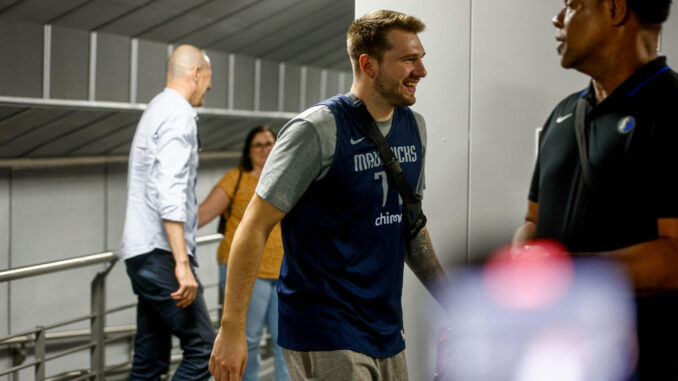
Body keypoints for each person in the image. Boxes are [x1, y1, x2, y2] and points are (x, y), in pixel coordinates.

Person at [209, 10, 450, 381]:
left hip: (385, 326)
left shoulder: (414, 128)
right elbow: (253, 226)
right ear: (368, 65)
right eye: (408, 60)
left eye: (420, 59)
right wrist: (231, 330)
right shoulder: (317, 130)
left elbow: (410, 226)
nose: (421, 71)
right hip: (324, 327)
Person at [513, 0, 678, 378]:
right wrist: (522, 260)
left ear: (616, 9)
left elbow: (674, 257)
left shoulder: (671, 110)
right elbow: (532, 220)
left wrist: (566, 274)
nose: (557, 19)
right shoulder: (563, 113)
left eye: (571, 5)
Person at [119, 44, 215, 380]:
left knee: (151, 357)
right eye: (208, 78)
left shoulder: (156, 108)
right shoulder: (178, 115)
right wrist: (182, 265)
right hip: (160, 256)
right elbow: (170, 190)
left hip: (143, 254)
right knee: (204, 348)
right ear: (196, 74)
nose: (210, 87)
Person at [198, 125, 290, 381]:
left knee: (287, 344)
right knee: (246, 343)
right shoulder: (235, 179)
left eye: (269, 143)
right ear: (249, 151)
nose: (265, 149)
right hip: (248, 273)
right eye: (258, 145)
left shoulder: (288, 178)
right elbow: (202, 214)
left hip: (284, 271)